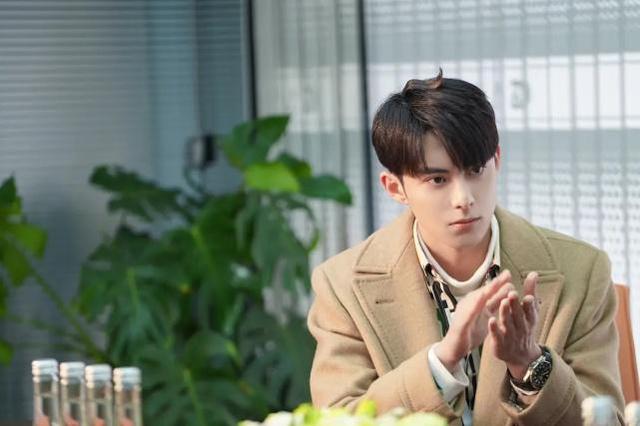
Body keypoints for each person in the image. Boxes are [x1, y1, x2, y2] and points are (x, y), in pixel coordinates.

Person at [307, 70, 624, 425]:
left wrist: (529, 364)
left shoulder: (582, 271)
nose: (464, 198)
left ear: (497, 160)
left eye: (475, 170)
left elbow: (608, 419)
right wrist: (443, 360)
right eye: (438, 179)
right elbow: (337, 418)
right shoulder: (342, 285)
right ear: (394, 188)